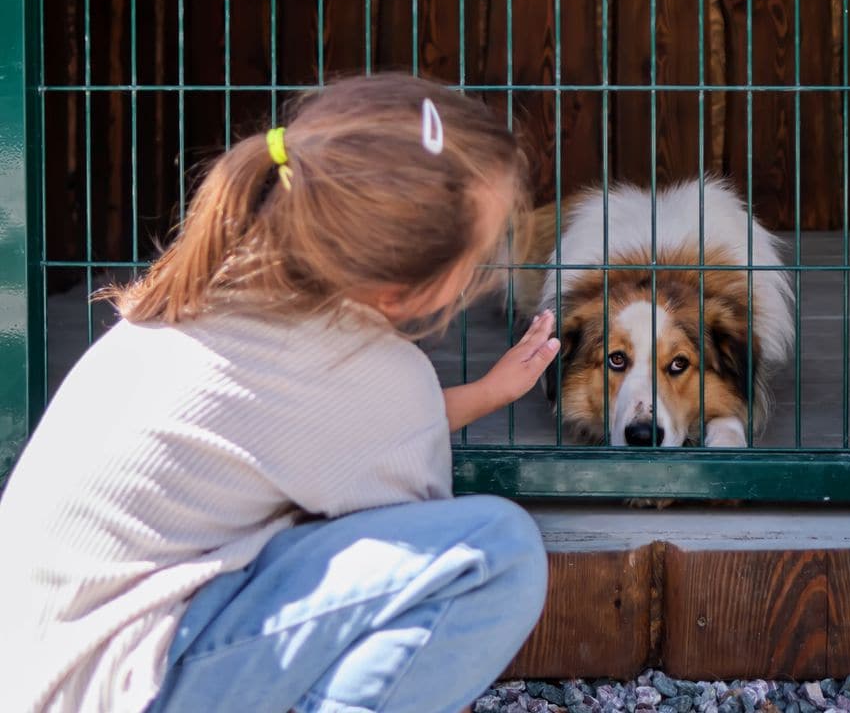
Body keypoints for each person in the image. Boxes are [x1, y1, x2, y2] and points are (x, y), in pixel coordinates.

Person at [0, 73, 559, 713]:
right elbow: (414, 571)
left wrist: (484, 394)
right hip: (118, 683)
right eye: (484, 253)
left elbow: (332, 433)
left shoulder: (216, 282)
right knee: (490, 551)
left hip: (50, 667)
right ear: (403, 293)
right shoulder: (375, 374)